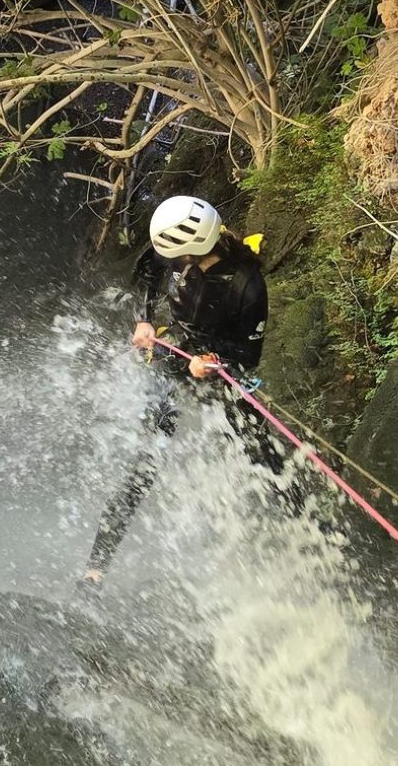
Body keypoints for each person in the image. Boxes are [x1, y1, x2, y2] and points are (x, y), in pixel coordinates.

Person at [80, 195, 270, 592]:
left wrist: (214, 360)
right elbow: (148, 270)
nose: (173, 263)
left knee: (264, 460)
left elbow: (249, 354)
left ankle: (296, 536)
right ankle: (95, 569)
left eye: (178, 258)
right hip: (175, 356)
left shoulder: (246, 284)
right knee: (143, 466)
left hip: (218, 373)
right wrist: (144, 321)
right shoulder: (171, 248)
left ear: (196, 248)